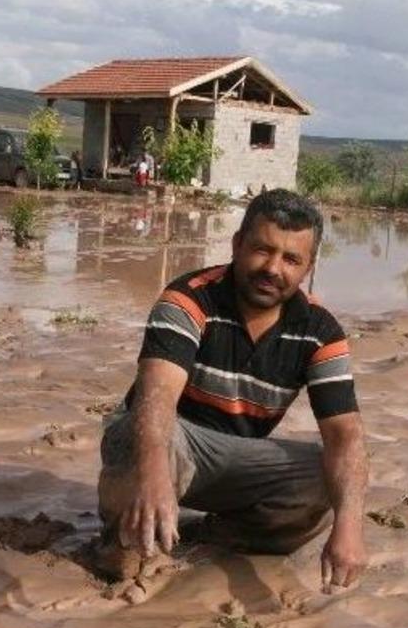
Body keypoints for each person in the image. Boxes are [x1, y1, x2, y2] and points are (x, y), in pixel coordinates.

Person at [96, 189, 369, 591]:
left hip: (236, 458)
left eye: (291, 259)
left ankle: (215, 537)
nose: (273, 268)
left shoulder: (320, 331)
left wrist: (350, 529)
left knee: (324, 475)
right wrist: (153, 474)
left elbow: (345, 436)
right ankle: (126, 541)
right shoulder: (189, 299)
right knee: (145, 435)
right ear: (238, 245)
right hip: (168, 439)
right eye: (262, 249)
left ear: (308, 268)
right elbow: (157, 398)